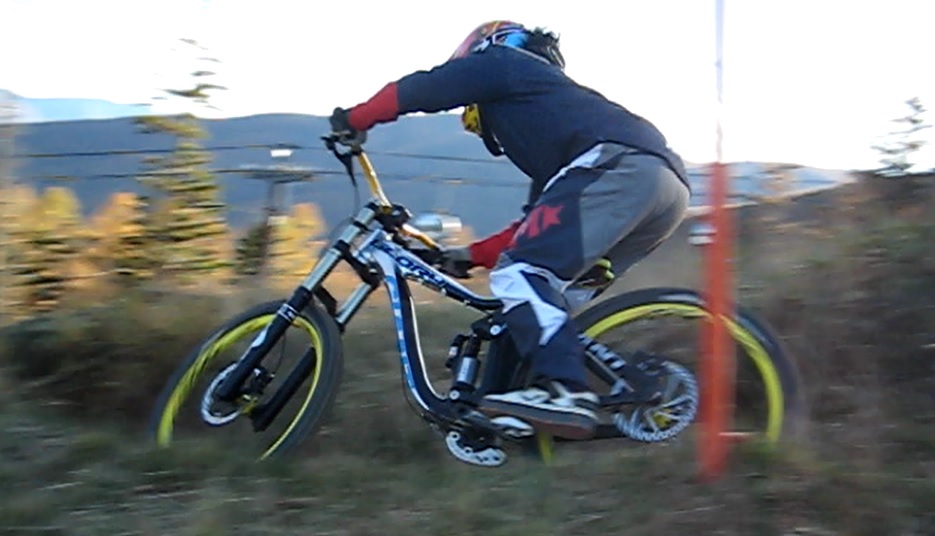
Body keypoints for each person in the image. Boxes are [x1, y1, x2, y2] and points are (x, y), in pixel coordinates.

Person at [329, 20, 691, 440]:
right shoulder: (557, 133)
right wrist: (468, 256)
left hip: (620, 168)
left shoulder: (504, 62)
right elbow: (533, 225)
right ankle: (519, 417)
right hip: (664, 189)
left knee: (520, 276)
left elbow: (424, 88)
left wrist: (355, 118)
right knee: (534, 306)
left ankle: (568, 394)